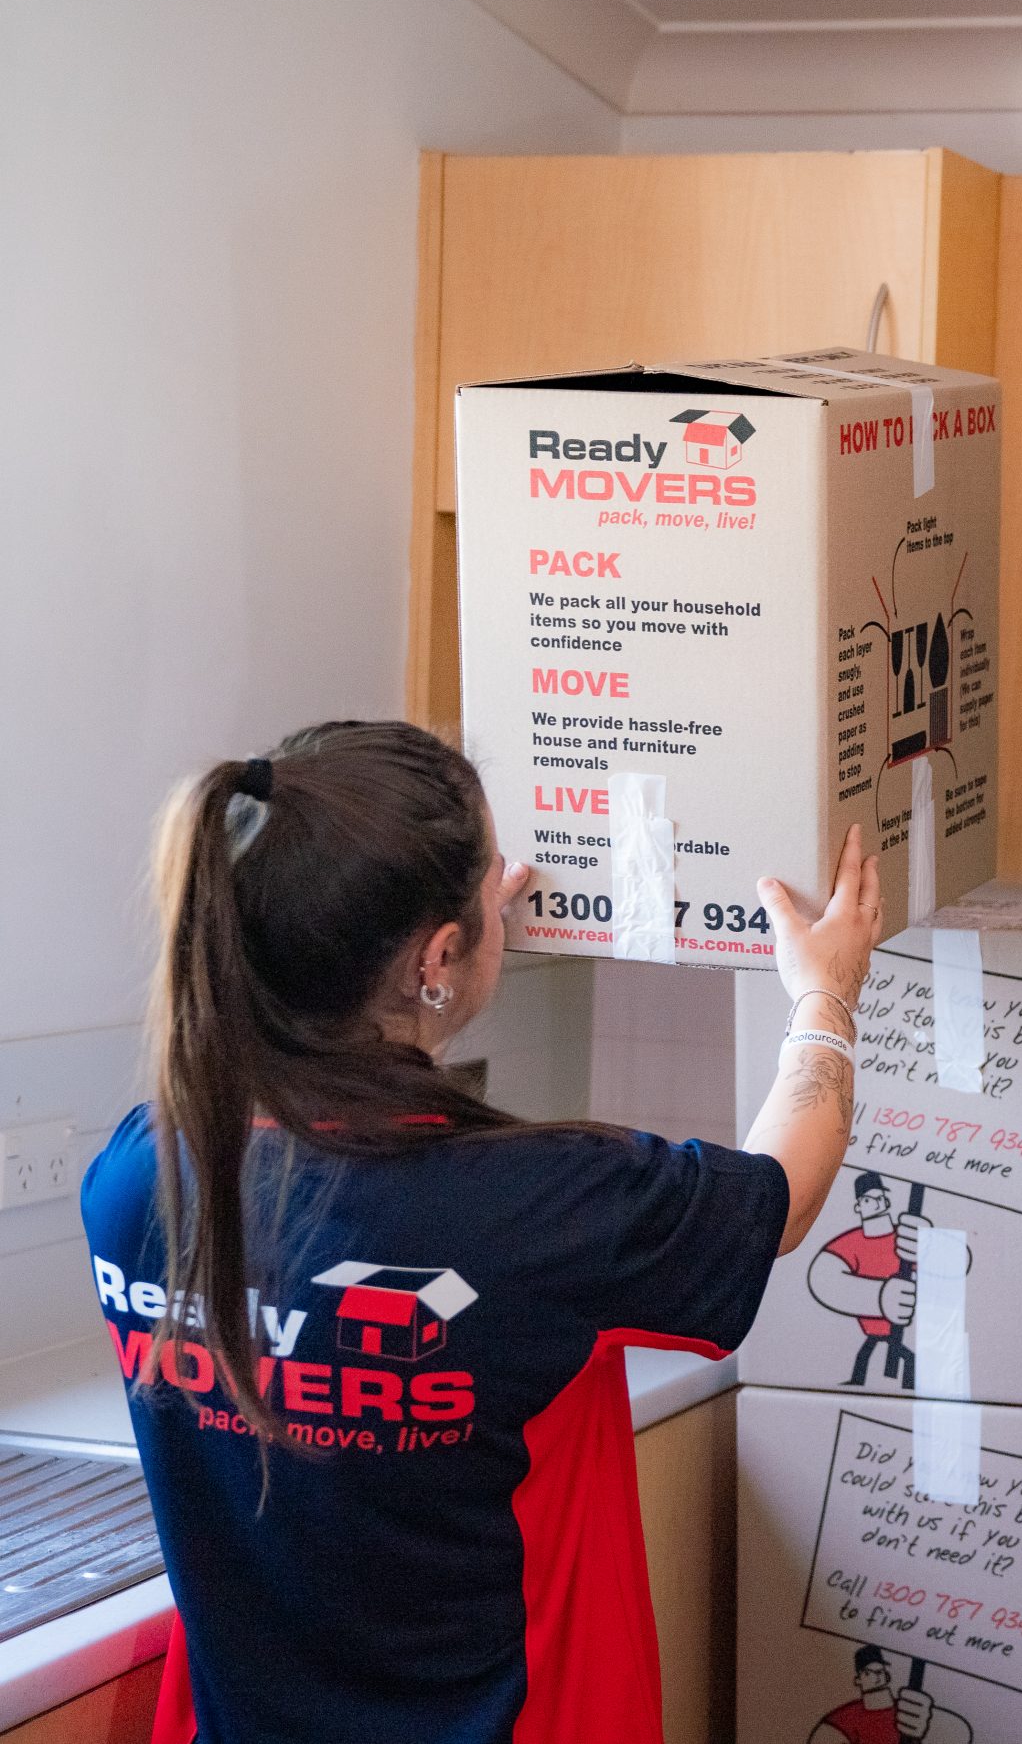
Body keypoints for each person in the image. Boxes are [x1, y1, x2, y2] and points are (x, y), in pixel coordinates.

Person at [81, 721, 884, 1743]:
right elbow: (785, 1189)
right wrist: (826, 994)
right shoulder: (539, 1206)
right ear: (437, 948)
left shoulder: (141, 1175)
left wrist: (437, 980)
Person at [809, 1170, 928, 1387]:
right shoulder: (850, 1243)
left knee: (907, 1359)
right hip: (873, 1330)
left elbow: (948, 1271)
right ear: (858, 1206)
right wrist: (879, 1297)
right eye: (868, 1199)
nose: (876, 1202)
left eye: (879, 1197)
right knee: (867, 1353)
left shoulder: (907, 1240)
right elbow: (823, 1277)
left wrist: (935, 1245)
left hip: (903, 1331)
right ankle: (857, 1380)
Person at [808, 1646, 972, 1742]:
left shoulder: (909, 1710)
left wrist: (930, 1725)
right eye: (868, 1672)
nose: (877, 1675)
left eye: (880, 1670)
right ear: (858, 1679)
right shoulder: (842, 1720)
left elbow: (961, 1731)